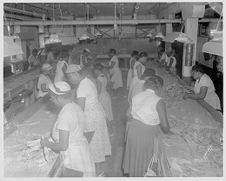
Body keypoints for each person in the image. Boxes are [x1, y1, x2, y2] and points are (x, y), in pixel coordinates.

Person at [40, 81, 96, 177]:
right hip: (82, 151)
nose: (52, 101)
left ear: (60, 98)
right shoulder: (75, 106)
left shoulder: (65, 115)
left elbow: (63, 146)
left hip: (72, 158)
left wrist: (47, 143)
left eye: (52, 98)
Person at [123, 77, 172, 177]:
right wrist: (171, 133)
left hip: (133, 131)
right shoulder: (159, 101)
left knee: (135, 156)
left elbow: (127, 115)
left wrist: (139, 119)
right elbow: (165, 126)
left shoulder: (137, 96)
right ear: (159, 88)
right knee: (145, 160)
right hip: (147, 134)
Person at [76, 65, 111, 176]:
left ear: (76, 74)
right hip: (97, 113)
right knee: (97, 144)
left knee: (93, 145)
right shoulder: (89, 81)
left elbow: (80, 109)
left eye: (69, 77)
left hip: (91, 117)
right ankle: (100, 171)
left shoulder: (81, 86)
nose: (69, 80)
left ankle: (97, 173)